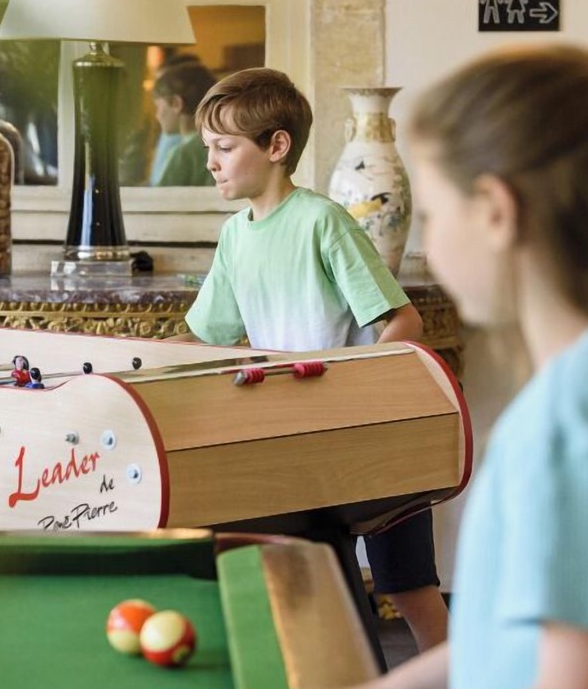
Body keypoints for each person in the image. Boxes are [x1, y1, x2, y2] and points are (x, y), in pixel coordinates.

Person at [351, 45, 588, 689]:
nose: (428, 244)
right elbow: (505, 640)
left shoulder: (571, 419)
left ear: (495, 211)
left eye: (431, 214)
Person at [175, 68, 448, 654]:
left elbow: (405, 323)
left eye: (225, 148)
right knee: (319, 576)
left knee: (408, 587)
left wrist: (345, 392)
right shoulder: (235, 236)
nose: (211, 163)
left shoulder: (323, 221)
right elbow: (206, 338)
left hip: (373, 436)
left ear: (276, 146)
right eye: (207, 149)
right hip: (298, 440)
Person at [150, 61, 218, 187]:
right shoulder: (222, 145)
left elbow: (160, 198)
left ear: (176, 103)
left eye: (158, 106)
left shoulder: (182, 154)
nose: (157, 115)